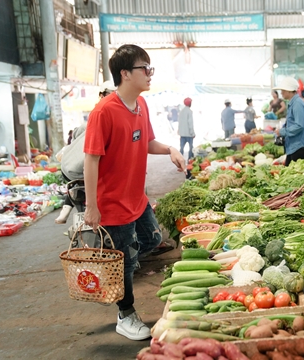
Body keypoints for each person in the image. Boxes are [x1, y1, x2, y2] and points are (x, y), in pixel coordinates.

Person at [83, 44, 185, 341]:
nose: (149, 74)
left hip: (137, 199)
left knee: (153, 240)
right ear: (125, 74)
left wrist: (170, 149)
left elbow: (147, 142)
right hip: (112, 204)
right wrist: (92, 207)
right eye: (145, 69)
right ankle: (125, 315)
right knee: (126, 260)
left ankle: (118, 267)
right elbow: (91, 159)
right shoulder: (104, 112)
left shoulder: (141, 106)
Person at [55, 81, 117, 224]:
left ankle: (66, 209)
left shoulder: (95, 115)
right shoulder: (102, 114)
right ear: (102, 95)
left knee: (76, 184)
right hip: (82, 170)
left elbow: (75, 135)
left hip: (68, 169)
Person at [273, 77, 304, 166]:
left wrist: (283, 131)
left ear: (289, 90)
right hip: (294, 146)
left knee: (295, 172)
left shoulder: (297, 104)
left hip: (299, 146)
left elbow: (299, 125)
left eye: (283, 90)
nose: (281, 92)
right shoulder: (293, 103)